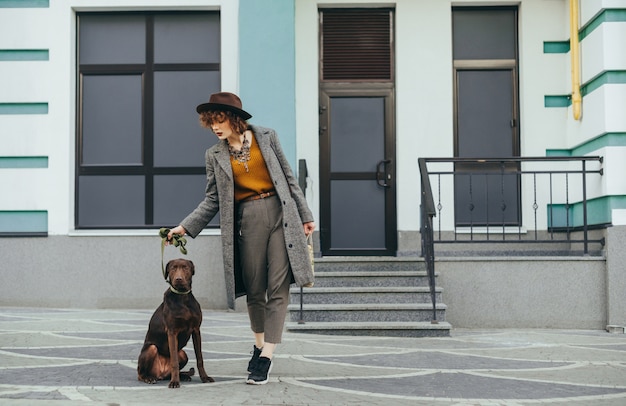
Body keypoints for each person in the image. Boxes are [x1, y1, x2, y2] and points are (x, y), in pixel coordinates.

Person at [166, 92, 315, 385]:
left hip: (281, 214)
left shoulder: (267, 137)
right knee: (255, 288)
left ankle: (266, 357)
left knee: (278, 287)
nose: (215, 127)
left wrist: (305, 214)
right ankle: (259, 344)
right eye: (210, 123)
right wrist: (185, 227)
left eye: (219, 120)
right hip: (246, 220)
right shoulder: (214, 155)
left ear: (234, 118)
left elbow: (288, 178)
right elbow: (212, 200)